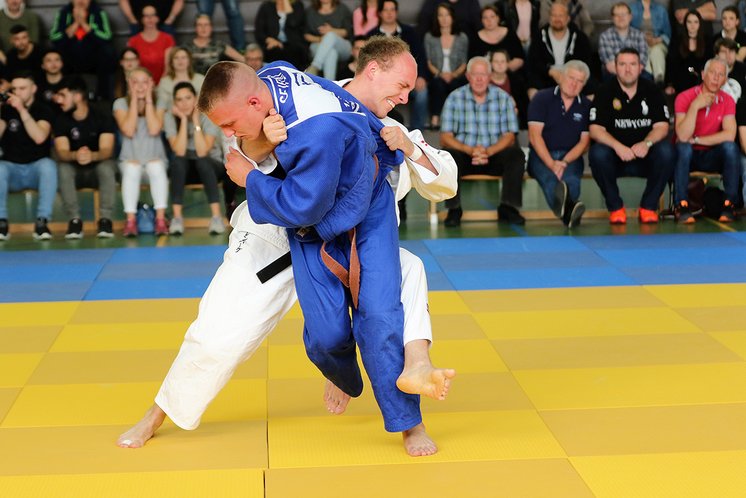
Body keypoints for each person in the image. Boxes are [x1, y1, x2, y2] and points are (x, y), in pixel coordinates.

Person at [117, 37, 457, 457]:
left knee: (407, 277)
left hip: (353, 243)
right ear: (374, 70)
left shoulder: (394, 129)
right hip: (276, 235)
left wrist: (410, 150)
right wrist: (265, 142)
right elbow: (239, 142)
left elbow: (445, 182)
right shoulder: (303, 96)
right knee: (217, 333)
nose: (406, 96)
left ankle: (410, 418)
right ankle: (158, 413)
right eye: (401, 86)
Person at [588, 48, 675, 225]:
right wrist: (618, 147)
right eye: (623, 64)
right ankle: (616, 208)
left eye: (632, 64)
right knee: (597, 153)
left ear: (641, 67)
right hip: (616, 158)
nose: (628, 69)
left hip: (645, 157)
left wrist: (647, 143)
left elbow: (662, 127)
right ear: (615, 67)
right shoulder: (604, 91)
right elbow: (595, 129)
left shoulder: (652, 90)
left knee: (667, 151)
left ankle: (648, 207)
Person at [440, 56, 526, 227]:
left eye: (484, 74)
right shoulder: (454, 98)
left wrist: (488, 151)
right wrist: (469, 150)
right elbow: (445, 137)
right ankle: (454, 209)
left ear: (490, 76)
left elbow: (509, 136)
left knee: (516, 154)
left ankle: (508, 207)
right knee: (449, 155)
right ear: (468, 76)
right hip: (465, 155)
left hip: (494, 154)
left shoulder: (503, 98)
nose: (479, 79)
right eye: (475, 74)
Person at [673, 57, 739, 223]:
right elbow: (682, 136)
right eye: (712, 73)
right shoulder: (684, 97)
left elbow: (729, 134)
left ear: (725, 79)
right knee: (683, 147)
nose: (716, 78)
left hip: (711, 155)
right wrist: (695, 106)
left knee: (731, 148)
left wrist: (696, 139)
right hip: (688, 156)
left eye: (721, 75)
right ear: (703, 75)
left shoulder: (728, 100)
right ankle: (681, 204)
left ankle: (729, 204)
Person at [526, 59, 590, 227]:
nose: (574, 84)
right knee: (550, 180)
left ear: (584, 85)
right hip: (541, 156)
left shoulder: (586, 106)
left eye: (580, 81)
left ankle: (568, 215)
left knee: (572, 182)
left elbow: (584, 142)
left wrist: (564, 162)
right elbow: (534, 136)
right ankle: (571, 213)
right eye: (571, 78)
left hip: (571, 157)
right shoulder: (542, 98)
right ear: (561, 77)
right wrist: (552, 164)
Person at [53, 76, 117, 239]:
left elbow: (107, 149)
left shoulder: (101, 115)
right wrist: (75, 154)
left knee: (107, 167)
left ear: (77, 96)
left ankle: (105, 220)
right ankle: (74, 220)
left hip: (96, 167)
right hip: (75, 169)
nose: (58, 100)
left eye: (63, 95)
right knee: (63, 168)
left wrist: (92, 155)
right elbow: (61, 151)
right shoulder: (60, 118)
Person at [113, 67, 169, 237]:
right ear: (129, 84)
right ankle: (130, 221)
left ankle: (160, 220)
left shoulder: (160, 102)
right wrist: (134, 100)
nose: (140, 86)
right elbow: (128, 130)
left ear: (151, 83)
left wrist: (149, 100)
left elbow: (154, 129)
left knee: (156, 167)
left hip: (155, 158)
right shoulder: (120, 103)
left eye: (144, 82)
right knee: (132, 169)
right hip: (130, 159)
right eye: (135, 82)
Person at [0, 72, 56, 241]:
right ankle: (1, 222)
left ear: (33, 89)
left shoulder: (43, 109)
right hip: (12, 170)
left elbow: (39, 137)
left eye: (22, 88)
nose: (17, 92)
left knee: (49, 166)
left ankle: (42, 221)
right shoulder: (6, 110)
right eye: (14, 89)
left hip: (35, 169)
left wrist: (22, 110)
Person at [164, 81, 225, 235]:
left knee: (202, 162)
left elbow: (202, 151)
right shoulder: (170, 117)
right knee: (177, 162)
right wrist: (184, 120)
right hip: (185, 166)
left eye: (188, 98)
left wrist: (196, 120)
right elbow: (179, 150)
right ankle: (177, 218)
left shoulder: (208, 115)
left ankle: (216, 217)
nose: (184, 103)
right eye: (179, 99)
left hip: (211, 165)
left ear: (196, 99)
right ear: (174, 102)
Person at [365, 0, 427, 132]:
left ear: (396, 12)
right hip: (380, 81)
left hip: (407, 80)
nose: (389, 13)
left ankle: (418, 132)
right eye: (386, 10)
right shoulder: (372, 35)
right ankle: (378, 129)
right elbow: (368, 60)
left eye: (392, 9)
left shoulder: (410, 32)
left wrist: (421, 76)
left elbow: (420, 56)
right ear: (380, 13)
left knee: (422, 94)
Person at [49, 0, 116, 99]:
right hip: (70, 57)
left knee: (108, 52)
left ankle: (103, 97)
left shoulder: (99, 12)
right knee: (55, 53)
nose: (80, 1)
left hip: (93, 57)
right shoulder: (63, 12)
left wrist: (84, 24)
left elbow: (107, 37)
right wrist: (76, 23)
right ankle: (61, 94)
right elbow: (54, 38)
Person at [527, 1, 594, 99]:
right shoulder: (539, 37)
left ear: (568, 18)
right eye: (554, 15)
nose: (557, 19)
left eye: (561, 16)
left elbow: (586, 62)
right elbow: (533, 62)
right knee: (532, 88)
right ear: (549, 18)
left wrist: (570, 74)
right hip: (547, 76)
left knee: (592, 87)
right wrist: (550, 71)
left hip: (573, 75)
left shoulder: (580, 37)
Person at [424, 2, 468, 130]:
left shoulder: (462, 37)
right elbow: (428, 62)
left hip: (457, 75)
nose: (444, 19)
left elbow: (464, 62)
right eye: (440, 15)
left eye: (447, 15)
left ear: (453, 17)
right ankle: (435, 118)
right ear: (436, 18)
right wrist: (440, 74)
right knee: (438, 85)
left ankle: (456, 121)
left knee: (456, 85)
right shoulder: (430, 37)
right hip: (437, 75)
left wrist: (453, 75)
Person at [665, 10, 712, 96]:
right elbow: (671, 63)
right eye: (689, 22)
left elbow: (709, 63)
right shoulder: (677, 40)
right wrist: (669, 84)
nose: (692, 25)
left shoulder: (707, 41)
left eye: (695, 22)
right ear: (685, 24)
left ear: (700, 24)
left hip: (701, 81)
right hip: (680, 82)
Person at [126, 4, 175, 85]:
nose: (150, 18)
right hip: (140, 85)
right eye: (146, 16)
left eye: (153, 15)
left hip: (162, 83)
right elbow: (132, 67)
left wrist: (160, 85)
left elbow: (168, 67)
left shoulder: (167, 39)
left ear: (158, 18)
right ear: (141, 19)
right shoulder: (133, 41)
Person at [304, 0, 353, 80]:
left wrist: (331, 30)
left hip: (342, 45)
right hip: (318, 44)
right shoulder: (310, 11)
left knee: (330, 35)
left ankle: (315, 66)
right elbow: (306, 34)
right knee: (331, 52)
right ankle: (330, 85)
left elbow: (347, 32)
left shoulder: (342, 9)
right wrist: (321, 39)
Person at [598, 3, 648, 81]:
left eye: (624, 14)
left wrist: (630, 75)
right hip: (613, 74)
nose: (620, 18)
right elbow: (610, 64)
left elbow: (641, 62)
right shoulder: (605, 36)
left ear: (630, 17)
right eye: (617, 15)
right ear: (612, 18)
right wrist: (627, 78)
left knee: (648, 80)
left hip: (636, 74)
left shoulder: (639, 35)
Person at [254, 0, 309, 70]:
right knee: (274, 52)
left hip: (294, 44)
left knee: (295, 52)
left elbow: (293, 23)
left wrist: (286, 3)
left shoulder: (298, 5)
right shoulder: (266, 6)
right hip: (273, 44)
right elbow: (259, 30)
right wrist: (269, 39)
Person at [629, 0, 671, 85]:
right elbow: (628, 30)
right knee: (643, 52)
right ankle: (648, 81)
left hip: (657, 43)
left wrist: (657, 40)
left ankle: (659, 80)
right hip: (638, 43)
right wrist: (642, 38)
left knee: (656, 51)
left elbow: (667, 34)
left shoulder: (661, 10)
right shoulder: (632, 8)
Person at [156, 46, 205, 117]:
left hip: (198, 117)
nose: (180, 61)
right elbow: (162, 106)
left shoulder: (200, 79)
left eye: (183, 57)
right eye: (176, 58)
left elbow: (204, 104)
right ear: (171, 62)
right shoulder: (164, 82)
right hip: (173, 118)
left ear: (189, 61)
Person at [417, 0, 481, 40]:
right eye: (441, 15)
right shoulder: (432, 2)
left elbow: (479, 25)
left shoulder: (471, 2)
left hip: (467, 43)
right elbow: (423, 25)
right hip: (437, 41)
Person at [118, 0, 183, 36]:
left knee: (169, 56)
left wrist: (170, 20)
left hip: (165, 24)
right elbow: (123, 1)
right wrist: (133, 20)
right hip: (138, 25)